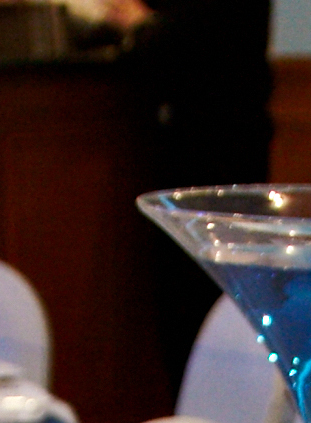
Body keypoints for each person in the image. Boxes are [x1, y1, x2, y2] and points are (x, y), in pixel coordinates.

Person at [104, 0, 271, 362]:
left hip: (213, 147)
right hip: (224, 143)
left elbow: (184, 45)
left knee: (198, 302)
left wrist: (140, 27)